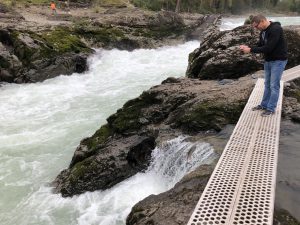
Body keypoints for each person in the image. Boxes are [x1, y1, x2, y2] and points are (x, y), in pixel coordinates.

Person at [240, 14, 288, 116]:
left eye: (256, 26)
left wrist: (250, 50)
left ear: (262, 21)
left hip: (278, 61)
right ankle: (264, 105)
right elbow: (261, 45)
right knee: (267, 84)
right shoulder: (263, 31)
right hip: (268, 61)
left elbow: (268, 48)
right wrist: (248, 47)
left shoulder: (276, 29)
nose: (255, 28)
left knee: (274, 85)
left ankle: (271, 109)